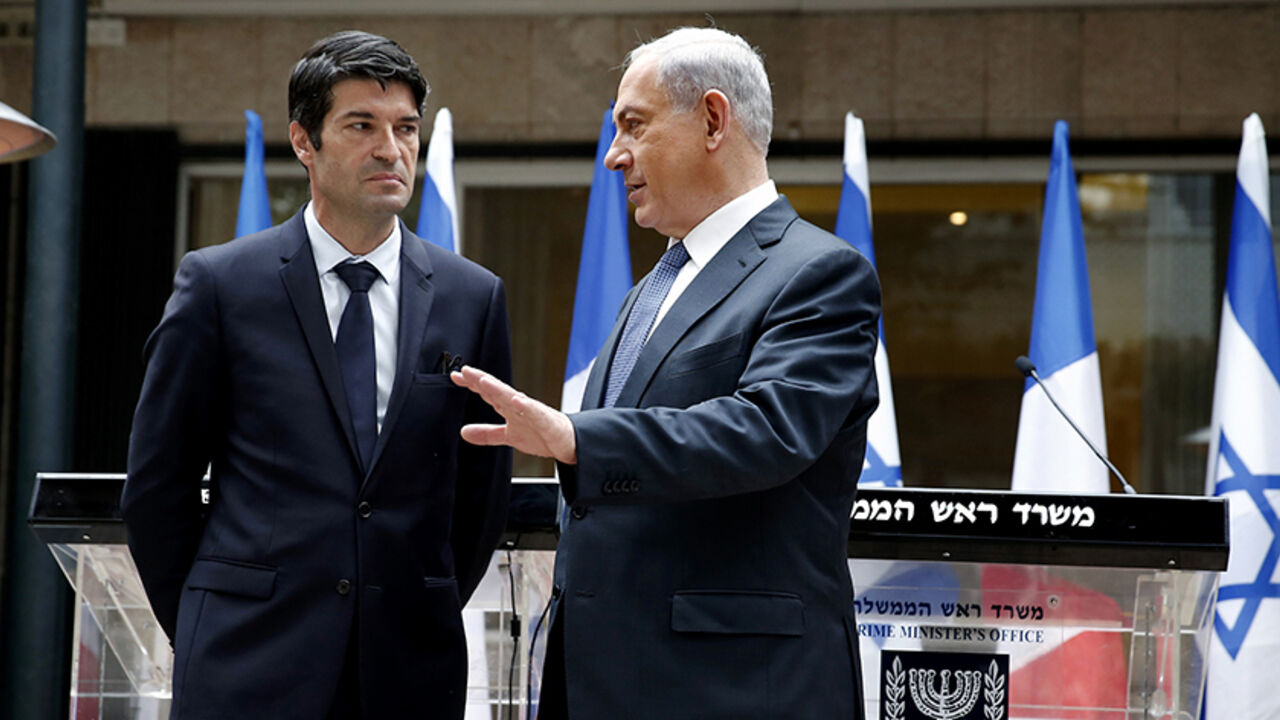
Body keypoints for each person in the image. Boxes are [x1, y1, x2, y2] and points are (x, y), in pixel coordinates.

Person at [452, 26, 880, 720]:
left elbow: (767, 430)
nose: (613, 155)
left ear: (713, 120)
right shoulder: (651, 288)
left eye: (634, 125)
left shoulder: (820, 274)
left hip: (733, 689)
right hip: (603, 681)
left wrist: (576, 438)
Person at [122, 31, 512, 720]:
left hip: (409, 672)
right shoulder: (219, 285)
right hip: (244, 665)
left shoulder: (472, 296)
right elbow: (158, 487)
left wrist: (417, 601)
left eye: (405, 128)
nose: (390, 149)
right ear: (304, 142)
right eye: (361, 126)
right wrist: (205, 625)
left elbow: (480, 495)